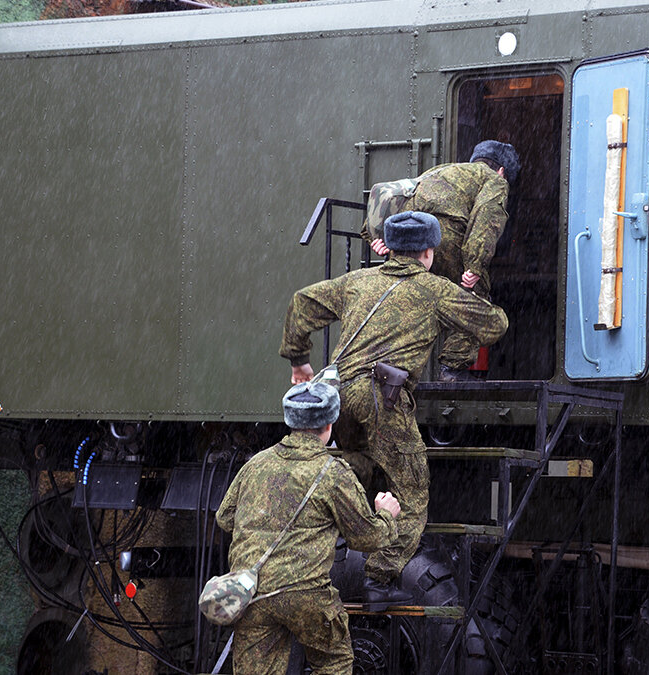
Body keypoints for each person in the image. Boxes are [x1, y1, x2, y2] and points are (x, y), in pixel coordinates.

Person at [281, 211, 508, 608]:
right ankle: (379, 580)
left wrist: (299, 361)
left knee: (360, 463)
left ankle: (314, 529)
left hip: (338, 399)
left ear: (390, 247)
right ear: (428, 251)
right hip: (379, 399)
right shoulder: (433, 290)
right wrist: (469, 301)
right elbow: (494, 326)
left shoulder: (357, 281)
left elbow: (301, 304)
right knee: (413, 490)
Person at [216, 381, 401, 675]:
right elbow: (367, 537)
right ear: (329, 426)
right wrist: (386, 514)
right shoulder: (333, 474)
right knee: (333, 663)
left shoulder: (255, 465)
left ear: (290, 421)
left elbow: (225, 519)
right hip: (306, 596)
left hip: (251, 594)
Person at [366, 140, 520, 381]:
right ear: (502, 170)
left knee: (412, 300)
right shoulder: (494, 180)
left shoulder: (443, 171)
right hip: (443, 235)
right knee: (472, 301)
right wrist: (474, 266)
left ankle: (390, 367)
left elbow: (397, 199)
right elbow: (486, 221)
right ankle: (451, 369)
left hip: (408, 236)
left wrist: (380, 239)